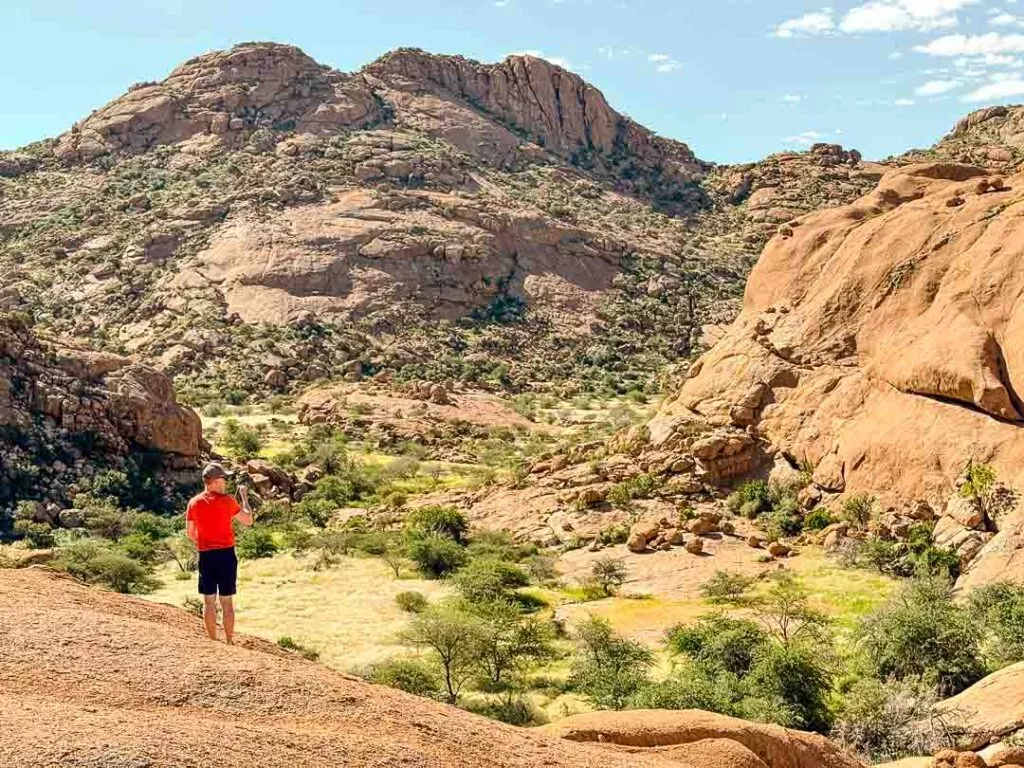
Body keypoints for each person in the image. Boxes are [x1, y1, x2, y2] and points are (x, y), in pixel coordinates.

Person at [185, 463, 252, 644]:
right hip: (226, 555)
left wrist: (203, 543)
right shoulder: (228, 501)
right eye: (223, 479)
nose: (225, 482)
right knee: (226, 601)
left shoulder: (194, 503)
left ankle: (213, 641)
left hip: (206, 555)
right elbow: (248, 520)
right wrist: (245, 497)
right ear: (214, 481)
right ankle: (229, 642)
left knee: (209, 600)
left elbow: (190, 532)